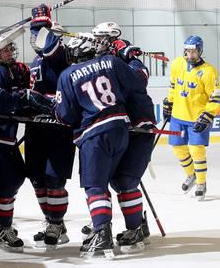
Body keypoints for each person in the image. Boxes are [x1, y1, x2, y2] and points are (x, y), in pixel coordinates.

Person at [55, 33, 152, 258]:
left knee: (95, 187)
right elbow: (138, 81)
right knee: (124, 181)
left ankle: (102, 235)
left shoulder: (67, 75)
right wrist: (132, 57)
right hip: (122, 129)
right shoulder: (112, 61)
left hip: (94, 134)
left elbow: (66, 115)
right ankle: (135, 229)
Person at [0, 37, 53, 252]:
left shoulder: (14, 69)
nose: (9, 52)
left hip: (5, 136)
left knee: (16, 177)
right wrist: (23, 97)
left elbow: (26, 92)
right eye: (4, 50)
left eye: (10, 49)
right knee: (6, 184)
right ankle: (3, 229)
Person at [91, 24, 155, 252]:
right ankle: (106, 224)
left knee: (125, 181)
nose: (96, 42)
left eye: (100, 38)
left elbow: (141, 77)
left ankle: (136, 227)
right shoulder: (98, 61)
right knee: (104, 180)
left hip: (138, 128)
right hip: (114, 130)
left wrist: (127, 55)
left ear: (112, 38)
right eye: (95, 38)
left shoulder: (126, 58)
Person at [26, 3, 75, 249]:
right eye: (33, 32)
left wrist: (42, 25)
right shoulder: (34, 61)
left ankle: (56, 222)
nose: (36, 36)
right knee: (36, 179)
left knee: (54, 180)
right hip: (36, 128)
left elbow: (50, 47)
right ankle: (52, 220)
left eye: (43, 31)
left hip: (59, 127)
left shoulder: (61, 54)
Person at [163, 35, 220, 201]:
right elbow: (173, 85)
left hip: (197, 118)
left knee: (197, 151)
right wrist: (169, 102)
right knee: (178, 149)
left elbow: (215, 97)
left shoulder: (209, 72)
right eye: (188, 51)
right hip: (178, 117)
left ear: (200, 51)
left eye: (194, 51)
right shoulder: (177, 64)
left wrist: (208, 115)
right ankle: (191, 175)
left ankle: (201, 183)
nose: (190, 55)